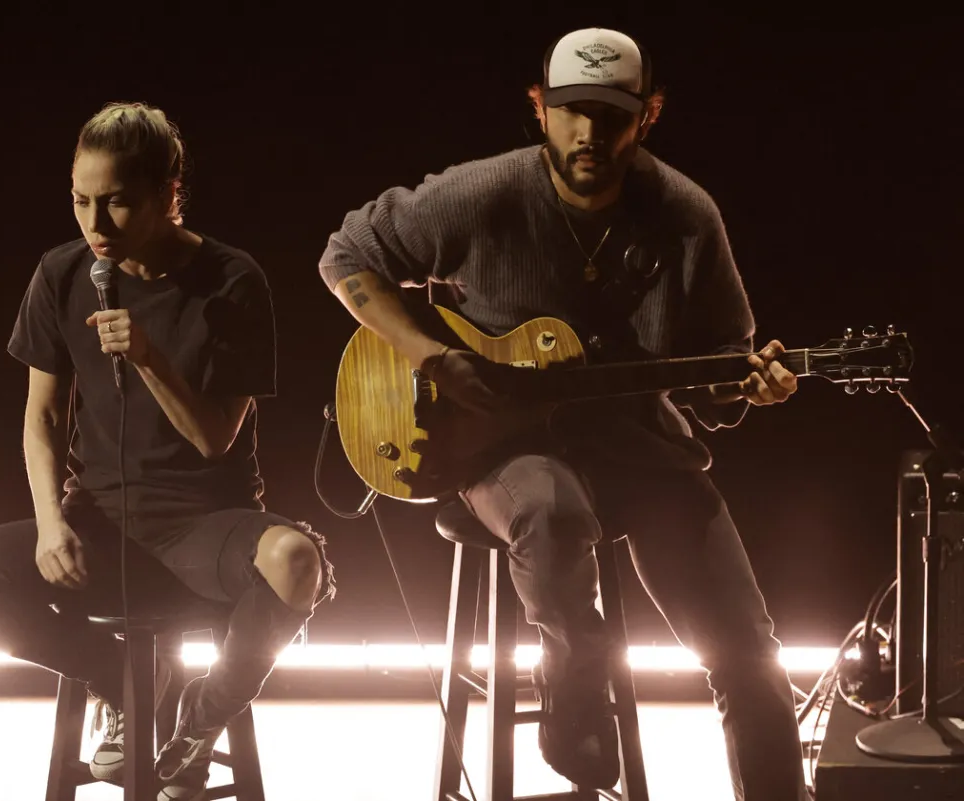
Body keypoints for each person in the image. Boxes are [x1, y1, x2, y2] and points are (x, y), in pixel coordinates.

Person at [318, 27, 808, 801]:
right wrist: (429, 353)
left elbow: (719, 372)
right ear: (539, 107)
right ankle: (574, 687)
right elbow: (345, 257)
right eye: (573, 111)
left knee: (750, 654)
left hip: (638, 446)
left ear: (648, 114)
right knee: (551, 507)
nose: (591, 134)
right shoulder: (483, 193)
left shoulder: (686, 216)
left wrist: (751, 385)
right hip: (499, 448)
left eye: (612, 115)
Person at [0, 102, 334, 800]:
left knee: (298, 561)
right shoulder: (61, 273)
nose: (95, 224)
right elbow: (42, 417)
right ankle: (118, 682)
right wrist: (51, 522)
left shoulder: (232, 279)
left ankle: (194, 721)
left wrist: (148, 356)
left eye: (116, 203)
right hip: (99, 521)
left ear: (169, 194)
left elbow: (213, 437)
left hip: (205, 523)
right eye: (80, 201)